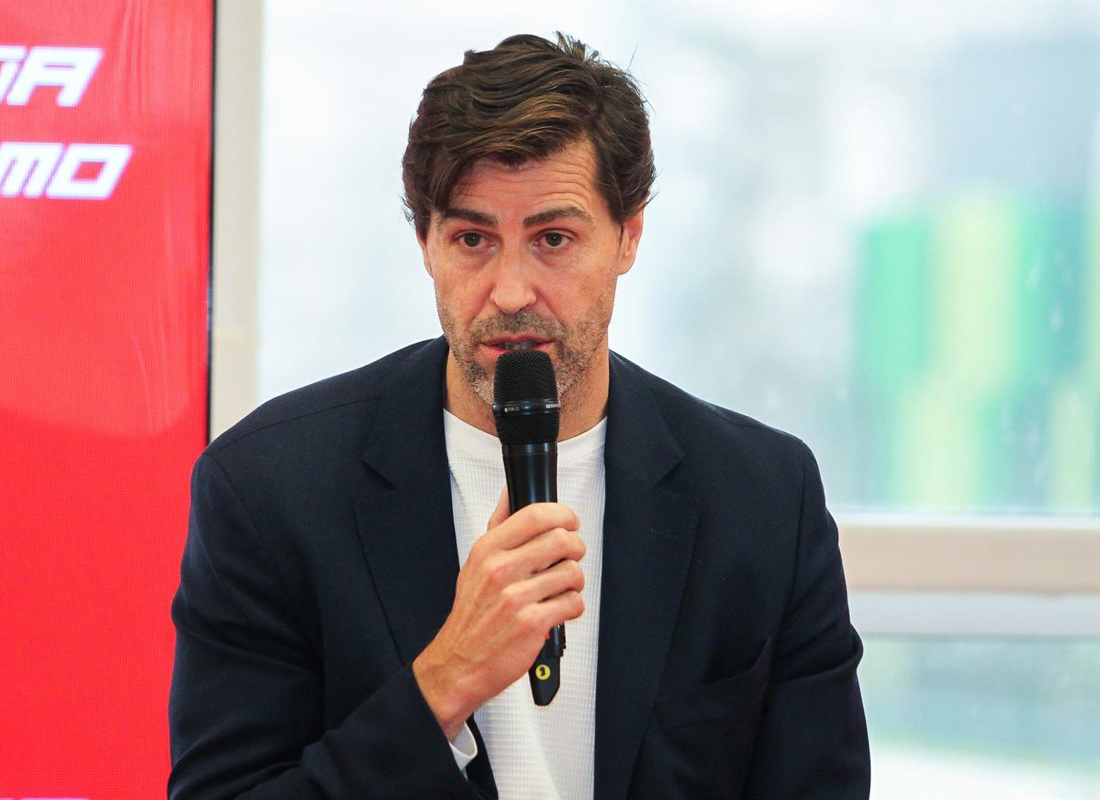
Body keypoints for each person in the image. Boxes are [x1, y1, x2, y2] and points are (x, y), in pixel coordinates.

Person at [169, 32, 870, 799]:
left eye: (553, 239)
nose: (509, 292)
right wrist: (444, 683)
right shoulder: (271, 490)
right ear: (425, 243)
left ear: (628, 236)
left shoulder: (763, 497)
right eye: (473, 239)